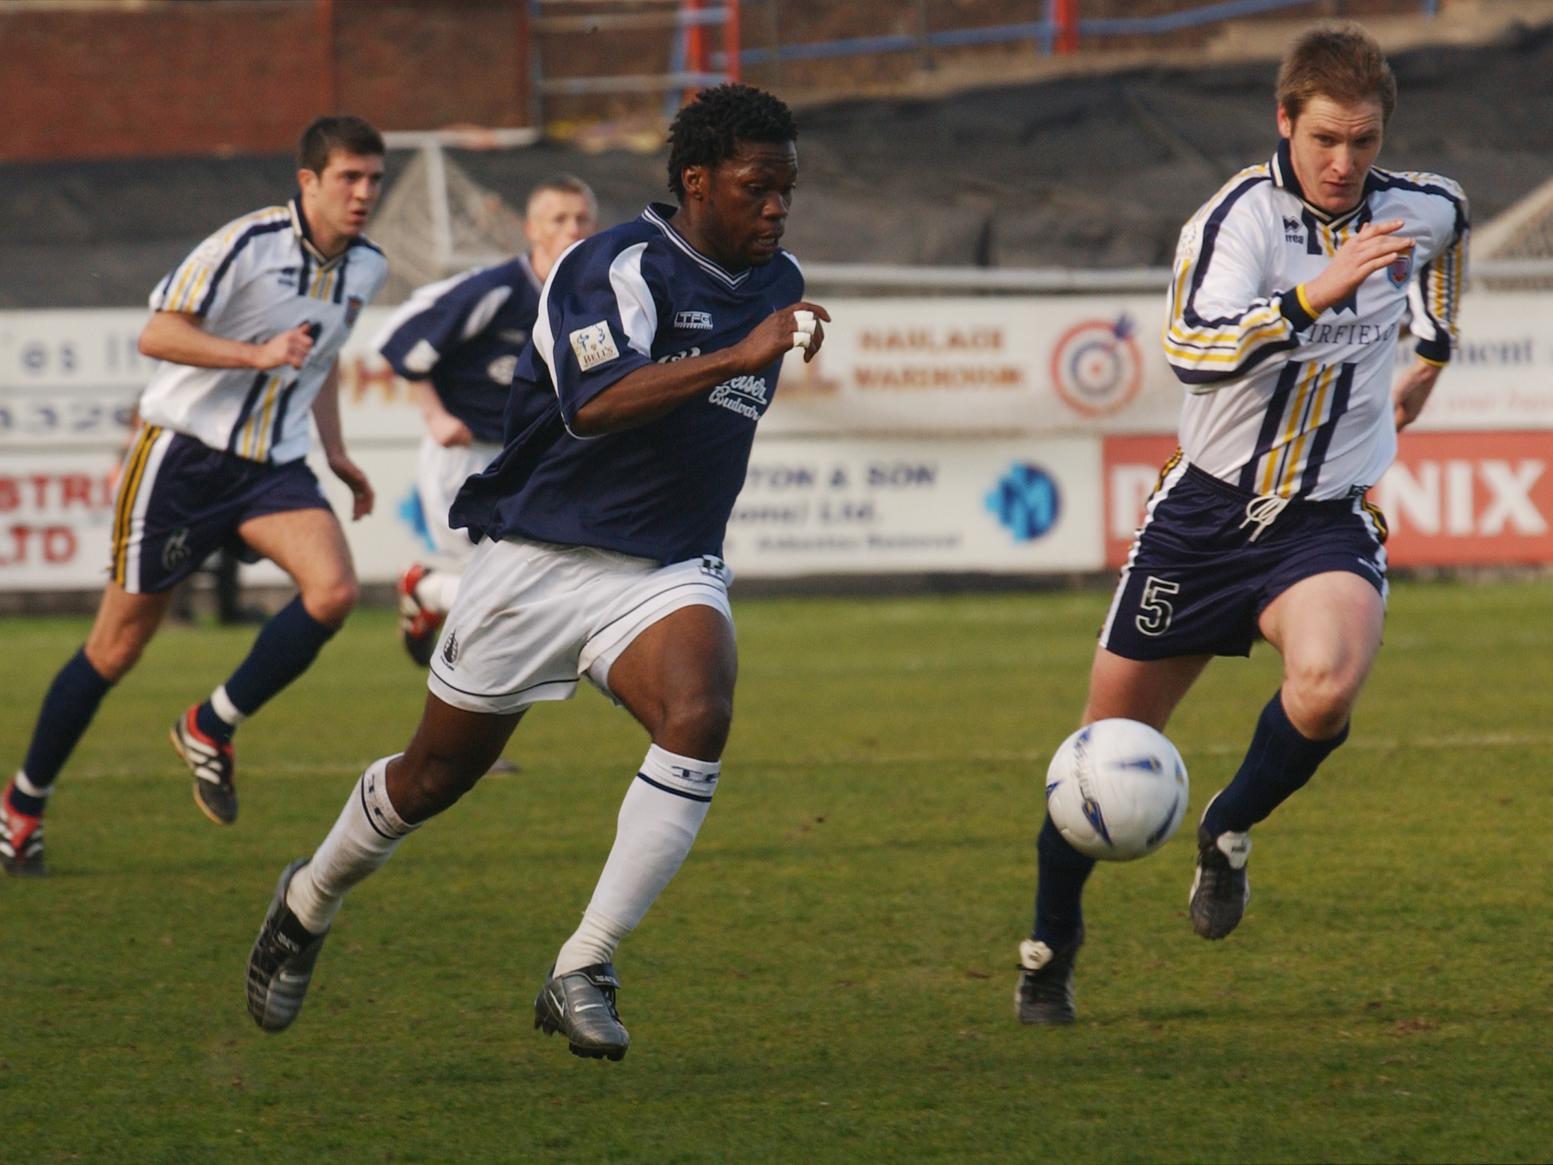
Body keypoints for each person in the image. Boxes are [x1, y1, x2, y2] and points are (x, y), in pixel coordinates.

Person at [245, 83, 828, 1061]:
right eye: (757, 187)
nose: (777, 207)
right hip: (535, 559)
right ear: (696, 182)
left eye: (786, 190)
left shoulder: (777, 283)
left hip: (663, 566)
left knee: (700, 707)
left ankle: (583, 963)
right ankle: (308, 898)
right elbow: (594, 403)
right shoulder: (609, 266)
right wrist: (740, 351)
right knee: (432, 776)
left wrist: (749, 342)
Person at [1015, 22, 1467, 1024]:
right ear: (1282, 123)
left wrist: (1429, 350)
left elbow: (1452, 227)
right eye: (1323, 141)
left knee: (1324, 685)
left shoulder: (1411, 207)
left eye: (1361, 141)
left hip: (1322, 517)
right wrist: (1314, 295)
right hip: (1203, 517)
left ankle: (1223, 827)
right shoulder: (1236, 220)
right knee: (1102, 747)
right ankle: (1050, 946)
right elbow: (1189, 349)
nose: (1344, 163)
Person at [0, 116, 388, 877]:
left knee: (334, 590)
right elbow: (157, 333)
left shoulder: (366, 267)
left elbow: (324, 359)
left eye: (373, 178)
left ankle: (210, 723)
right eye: (349, 177)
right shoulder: (247, 244)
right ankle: (22, 806)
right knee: (116, 647)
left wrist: (337, 453)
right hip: (180, 458)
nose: (364, 193)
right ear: (308, 181)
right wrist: (256, 354)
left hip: (271, 467)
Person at [375, 176, 599, 666]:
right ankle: (426, 589)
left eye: (582, 218)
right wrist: (435, 417)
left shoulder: (590, 301)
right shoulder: (496, 289)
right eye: (559, 219)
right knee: (494, 595)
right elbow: (401, 342)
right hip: (467, 456)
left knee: (534, 578)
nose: (573, 228)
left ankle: (442, 612)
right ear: (531, 229)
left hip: (532, 459)